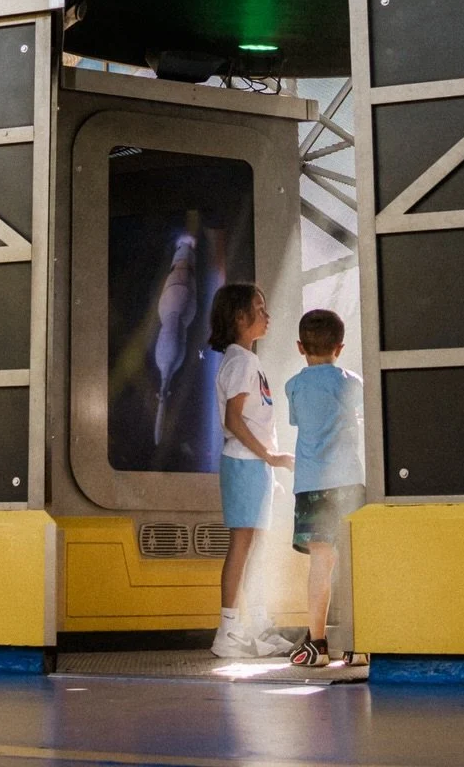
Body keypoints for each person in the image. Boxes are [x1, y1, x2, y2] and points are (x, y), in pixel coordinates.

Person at [208, 281, 295, 659]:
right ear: (240, 318)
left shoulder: (245, 359)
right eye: (260, 309)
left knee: (253, 548)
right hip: (245, 464)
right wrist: (271, 457)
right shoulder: (241, 361)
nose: (267, 314)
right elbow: (235, 420)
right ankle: (227, 631)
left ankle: (257, 626)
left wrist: (268, 465)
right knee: (243, 546)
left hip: (251, 466)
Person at [284, 307, 365, 667]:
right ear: (341, 347)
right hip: (348, 483)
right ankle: (359, 644)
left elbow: (299, 421)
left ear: (300, 347)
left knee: (321, 563)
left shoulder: (294, 386)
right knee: (353, 563)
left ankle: (317, 643)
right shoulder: (351, 382)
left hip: (311, 484)